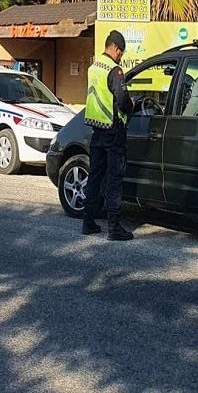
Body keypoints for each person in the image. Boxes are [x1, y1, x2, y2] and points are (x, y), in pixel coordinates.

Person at [82, 30, 134, 241]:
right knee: (114, 177)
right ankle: (114, 227)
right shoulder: (114, 70)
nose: (121, 56)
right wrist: (131, 105)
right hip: (113, 130)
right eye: (121, 52)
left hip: (96, 129)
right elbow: (121, 99)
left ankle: (88, 221)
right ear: (115, 49)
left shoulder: (94, 67)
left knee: (95, 175)